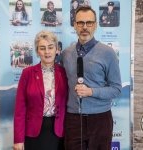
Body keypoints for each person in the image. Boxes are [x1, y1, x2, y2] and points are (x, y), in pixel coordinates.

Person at [62, 6, 122, 150]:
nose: (85, 27)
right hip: (73, 119)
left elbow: (117, 89)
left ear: (95, 25)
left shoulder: (108, 53)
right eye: (80, 23)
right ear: (75, 25)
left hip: (100, 118)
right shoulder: (66, 53)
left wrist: (91, 92)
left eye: (89, 23)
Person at [13, 30, 68, 150]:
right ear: (37, 51)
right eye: (42, 48)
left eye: (50, 47)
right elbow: (20, 109)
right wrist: (18, 139)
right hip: (33, 132)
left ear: (56, 49)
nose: (47, 52)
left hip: (59, 131)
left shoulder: (64, 73)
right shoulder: (27, 73)